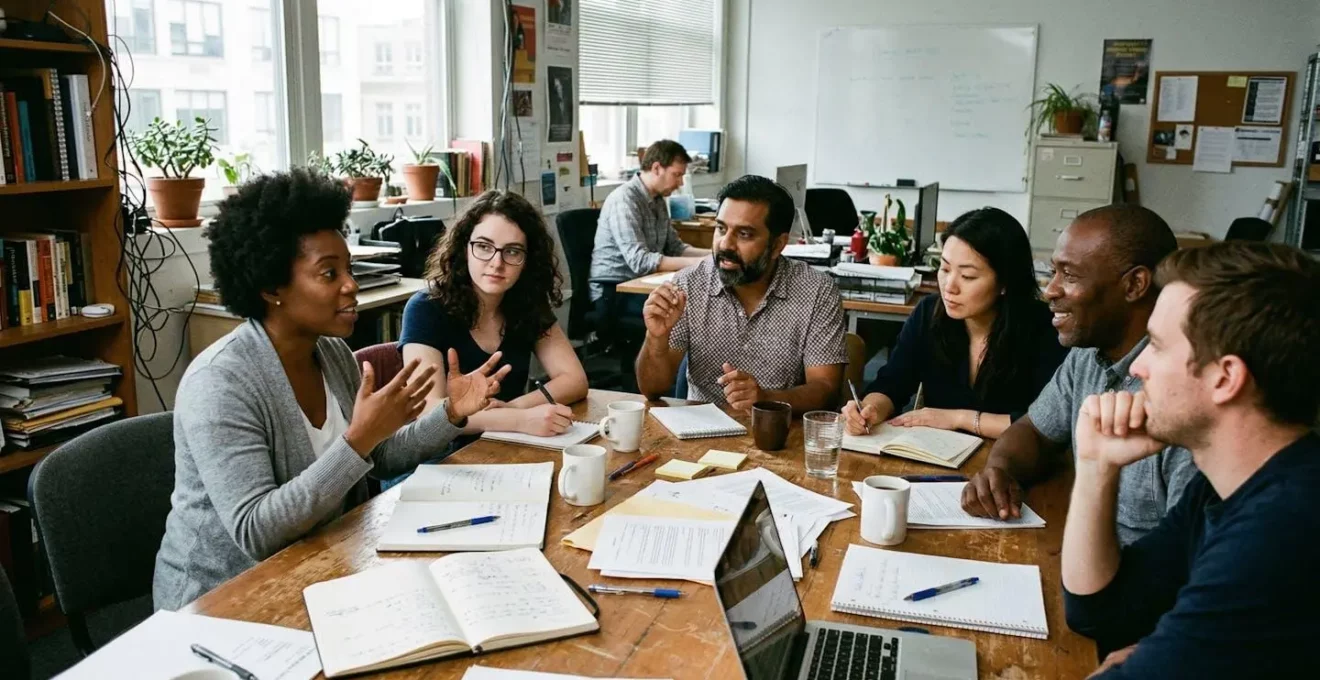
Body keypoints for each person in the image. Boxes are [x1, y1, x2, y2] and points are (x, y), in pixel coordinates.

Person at [153, 170, 508, 611]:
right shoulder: (220, 382)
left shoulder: (332, 353)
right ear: (271, 287)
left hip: (321, 566)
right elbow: (256, 532)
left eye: (349, 269)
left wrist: (450, 413)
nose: (351, 285)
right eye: (328, 273)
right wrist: (358, 438)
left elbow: (378, 457)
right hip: (223, 600)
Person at [1061, 242, 1320, 678]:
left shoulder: (1282, 528)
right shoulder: (1222, 487)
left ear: (1225, 378)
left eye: (1157, 345)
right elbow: (1101, 614)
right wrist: (1096, 465)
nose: (1137, 367)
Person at [960, 205, 1196, 544]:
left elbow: (1186, 558)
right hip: (1083, 556)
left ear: (1135, 284)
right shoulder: (1087, 355)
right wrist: (999, 470)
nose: (1049, 291)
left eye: (1069, 276)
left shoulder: (1184, 399)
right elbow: (1034, 431)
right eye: (1053, 272)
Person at [842, 208, 1068, 438]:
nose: (949, 286)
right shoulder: (929, 313)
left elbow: (1050, 423)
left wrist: (958, 418)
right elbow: (891, 384)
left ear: (1005, 283)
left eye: (967, 276)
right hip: (938, 452)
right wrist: (870, 409)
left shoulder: (1045, 329)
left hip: (1011, 454)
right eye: (945, 268)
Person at [635, 175, 846, 411]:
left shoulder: (816, 291)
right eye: (721, 228)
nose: (725, 244)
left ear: (778, 245)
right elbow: (652, 389)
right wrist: (656, 338)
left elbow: (826, 389)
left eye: (744, 234)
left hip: (777, 428)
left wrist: (766, 398)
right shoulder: (689, 284)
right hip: (700, 426)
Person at [400, 190, 588, 437]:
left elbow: (575, 379)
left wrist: (515, 408)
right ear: (464, 248)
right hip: (444, 451)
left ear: (528, 260)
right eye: (483, 246)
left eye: (512, 251)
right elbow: (428, 411)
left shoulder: (525, 302)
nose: (496, 263)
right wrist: (518, 420)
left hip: (505, 443)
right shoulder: (426, 307)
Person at [589, 140, 710, 319]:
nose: (680, 183)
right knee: (685, 313)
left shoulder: (658, 200)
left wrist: (715, 255)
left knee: (701, 302)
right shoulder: (624, 200)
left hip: (642, 285)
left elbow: (675, 248)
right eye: (677, 175)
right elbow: (640, 261)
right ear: (656, 168)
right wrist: (700, 263)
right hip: (614, 291)